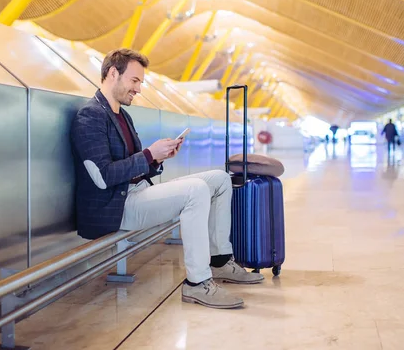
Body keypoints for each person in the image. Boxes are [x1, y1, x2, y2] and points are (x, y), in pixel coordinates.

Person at [70, 48, 263, 310]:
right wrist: (149, 153)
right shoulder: (90, 116)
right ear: (113, 74)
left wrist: (157, 159)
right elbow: (103, 178)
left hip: (136, 193)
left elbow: (134, 168)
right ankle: (197, 283)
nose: (138, 89)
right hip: (115, 206)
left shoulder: (122, 116)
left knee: (219, 179)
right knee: (195, 189)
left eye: (140, 82)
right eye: (134, 80)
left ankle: (219, 262)